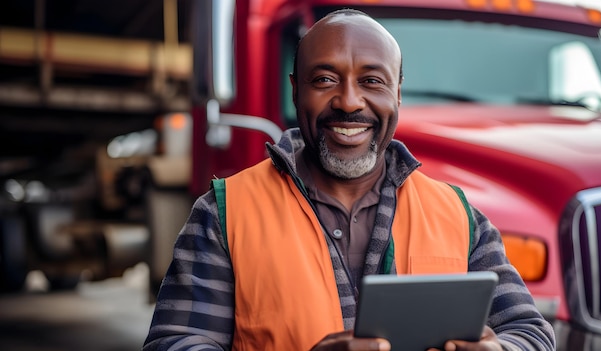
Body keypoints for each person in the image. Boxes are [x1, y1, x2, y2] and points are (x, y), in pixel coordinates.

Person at [143, 8, 556, 351]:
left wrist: (501, 349)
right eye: (325, 79)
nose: (349, 101)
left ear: (398, 94)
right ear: (295, 91)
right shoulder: (224, 212)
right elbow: (177, 342)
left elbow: (532, 334)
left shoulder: (458, 215)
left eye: (372, 81)